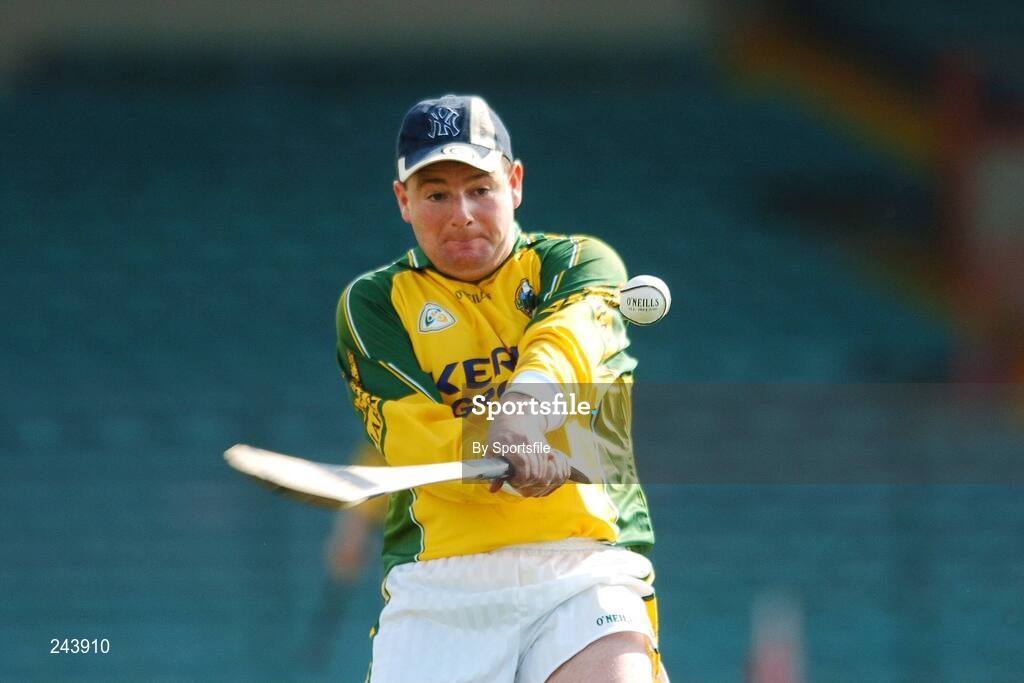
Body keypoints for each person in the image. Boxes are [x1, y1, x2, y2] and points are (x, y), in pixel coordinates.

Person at [336, 94, 666, 682]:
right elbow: (414, 441)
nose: (460, 212)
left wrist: (523, 418)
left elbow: (568, 347)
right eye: (436, 193)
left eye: (479, 188)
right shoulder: (374, 304)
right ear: (403, 202)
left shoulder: (580, 264)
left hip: (584, 562)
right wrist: (500, 450)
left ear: (514, 184)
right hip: (440, 581)